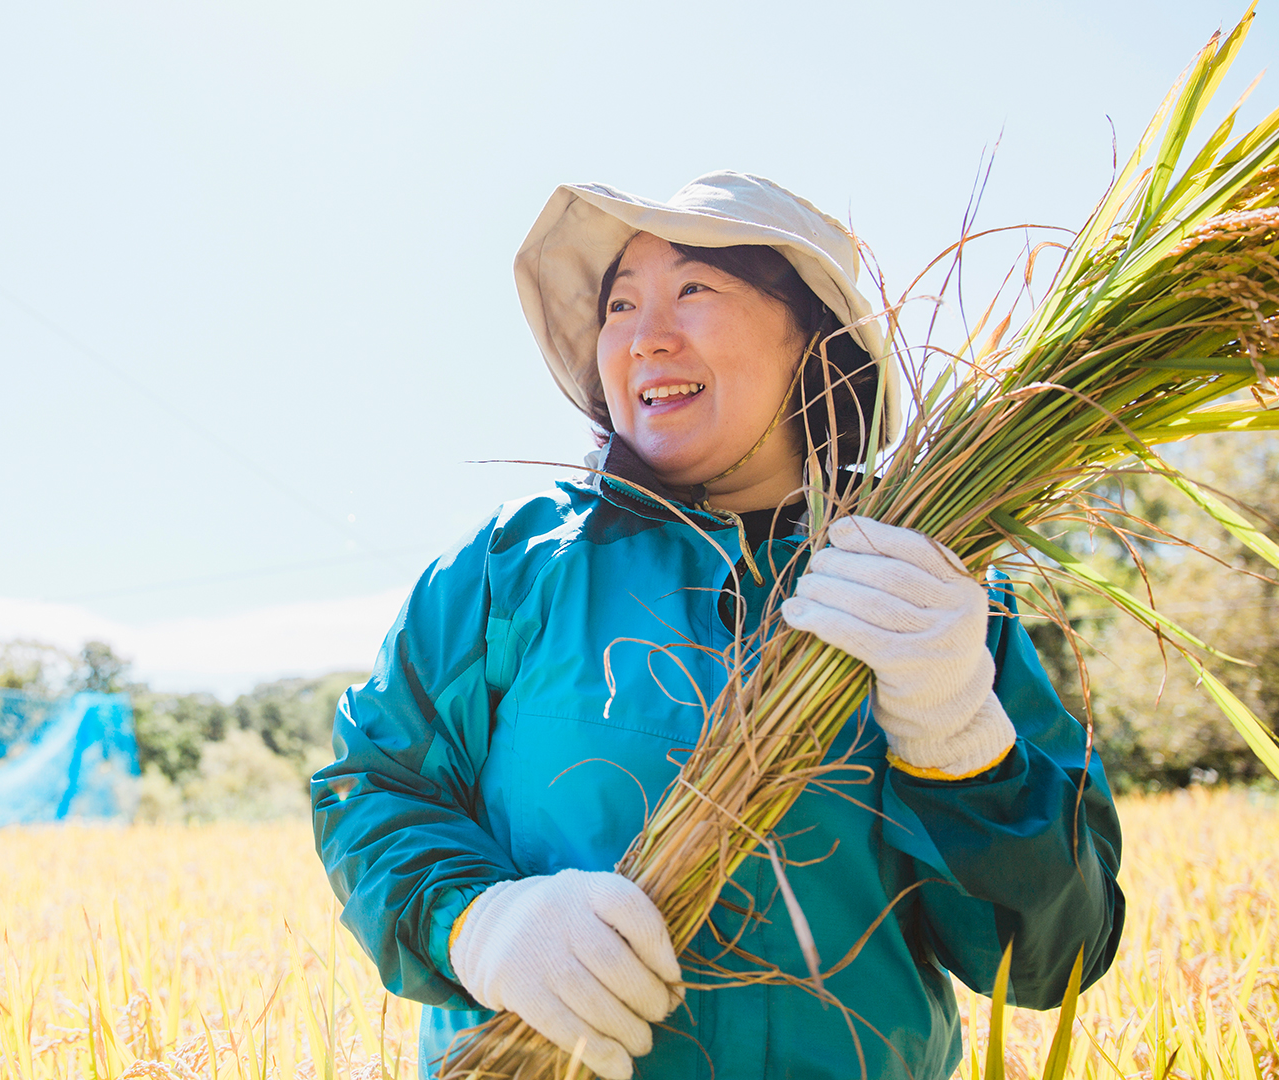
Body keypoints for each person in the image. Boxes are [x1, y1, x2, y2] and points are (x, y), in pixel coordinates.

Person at [309, 172, 1124, 1080]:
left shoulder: (926, 593)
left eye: (694, 288)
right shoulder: (518, 562)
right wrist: (482, 922)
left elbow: (1057, 953)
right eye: (620, 305)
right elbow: (371, 788)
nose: (646, 335)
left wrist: (958, 732)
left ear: (812, 338)